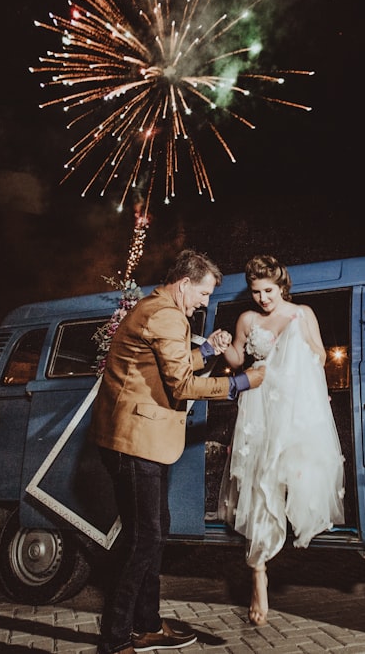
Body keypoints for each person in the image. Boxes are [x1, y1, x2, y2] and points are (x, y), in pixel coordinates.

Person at [91, 249, 266, 654]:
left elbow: (163, 366)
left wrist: (206, 351)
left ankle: (147, 625)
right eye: (204, 294)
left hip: (144, 440)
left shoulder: (158, 308)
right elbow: (182, 386)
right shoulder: (168, 314)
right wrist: (243, 383)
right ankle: (115, 640)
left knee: (154, 533)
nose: (205, 303)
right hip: (134, 441)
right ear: (185, 283)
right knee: (143, 539)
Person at [217, 254, 346, 627]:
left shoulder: (301, 314)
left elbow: (320, 354)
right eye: (256, 292)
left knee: (297, 477)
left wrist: (292, 360)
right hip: (258, 410)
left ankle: (294, 532)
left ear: (282, 286)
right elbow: (238, 359)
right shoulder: (247, 319)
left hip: (294, 409)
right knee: (259, 488)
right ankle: (258, 576)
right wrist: (224, 343)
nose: (262, 299)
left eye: (268, 290)